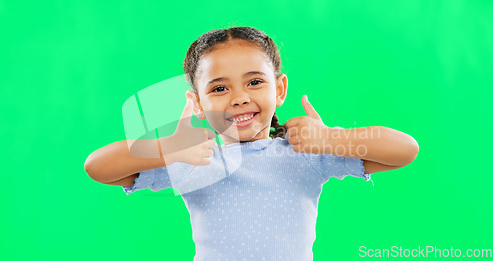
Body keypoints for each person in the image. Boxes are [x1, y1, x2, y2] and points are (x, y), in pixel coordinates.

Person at [84, 26, 419, 261]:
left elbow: (405, 149)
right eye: (219, 88)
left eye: (255, 82)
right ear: (197, 103)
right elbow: (98, 166)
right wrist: (167, 148)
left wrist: (334, 138)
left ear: (279, 89)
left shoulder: (305, 154)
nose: (240, 98)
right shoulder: (193, 160)